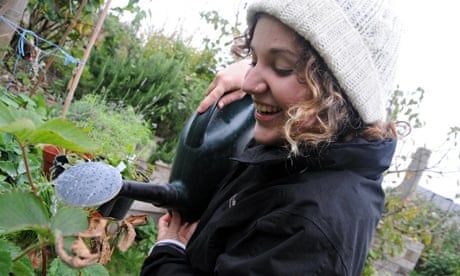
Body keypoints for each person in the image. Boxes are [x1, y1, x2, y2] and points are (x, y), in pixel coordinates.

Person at [141, 0, 401, 274]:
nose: (249, 83)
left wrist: (167, 254)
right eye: (253, 59)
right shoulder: (293, 149)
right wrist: (265, 65)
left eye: (283, 66)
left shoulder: (310, 228)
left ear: (340, 93)